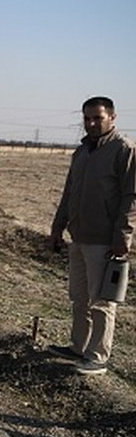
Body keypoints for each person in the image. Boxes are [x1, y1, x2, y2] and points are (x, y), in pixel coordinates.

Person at [49, 97, 136, 375]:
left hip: (105, 240)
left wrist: (123, 236)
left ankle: (98, 356)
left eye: (97, 118)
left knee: (102, 301)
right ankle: (78, 347)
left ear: (112, 117)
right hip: (79, 236)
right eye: (87, 118)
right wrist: (57, 227)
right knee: (80, 298)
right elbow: (69, 192)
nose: (91, 123)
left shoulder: (124, 150)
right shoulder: (82, 152)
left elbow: (131, 198)